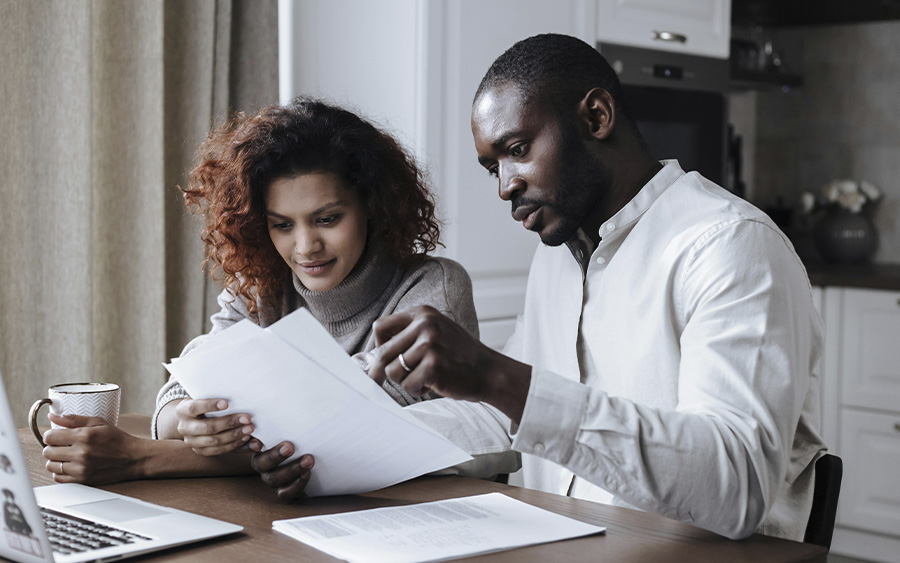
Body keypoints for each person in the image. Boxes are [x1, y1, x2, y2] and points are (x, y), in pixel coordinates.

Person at [362, 33, 827, 541]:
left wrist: (498, 376)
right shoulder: (557, 260)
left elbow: (735, 486)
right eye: (493, 167)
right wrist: (340, 443)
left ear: (596, 117)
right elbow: (509, 422)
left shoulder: (729, 245)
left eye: (517, 149)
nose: (505, 185)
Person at [40, 97, 479, 498]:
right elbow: (187, 379)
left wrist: (141, 458)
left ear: (373, 205)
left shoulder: (432, 289)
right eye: (282, 225)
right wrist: (187, 419)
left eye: (327, 219)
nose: (306, 247)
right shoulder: (260, 285)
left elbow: (341, 432)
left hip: (410, 516)